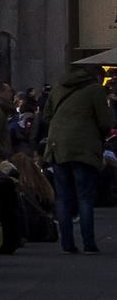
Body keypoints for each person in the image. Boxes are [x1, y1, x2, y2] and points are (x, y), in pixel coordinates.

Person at [40, 60, 110, 254]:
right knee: (85, 196)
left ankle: (67, 244)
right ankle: (88, 243)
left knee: (63, 197)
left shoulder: (58, 88)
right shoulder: (95, 89)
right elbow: (105, 121)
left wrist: (62, 126)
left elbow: (46, 116)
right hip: (84, 148)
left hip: (58, 147)